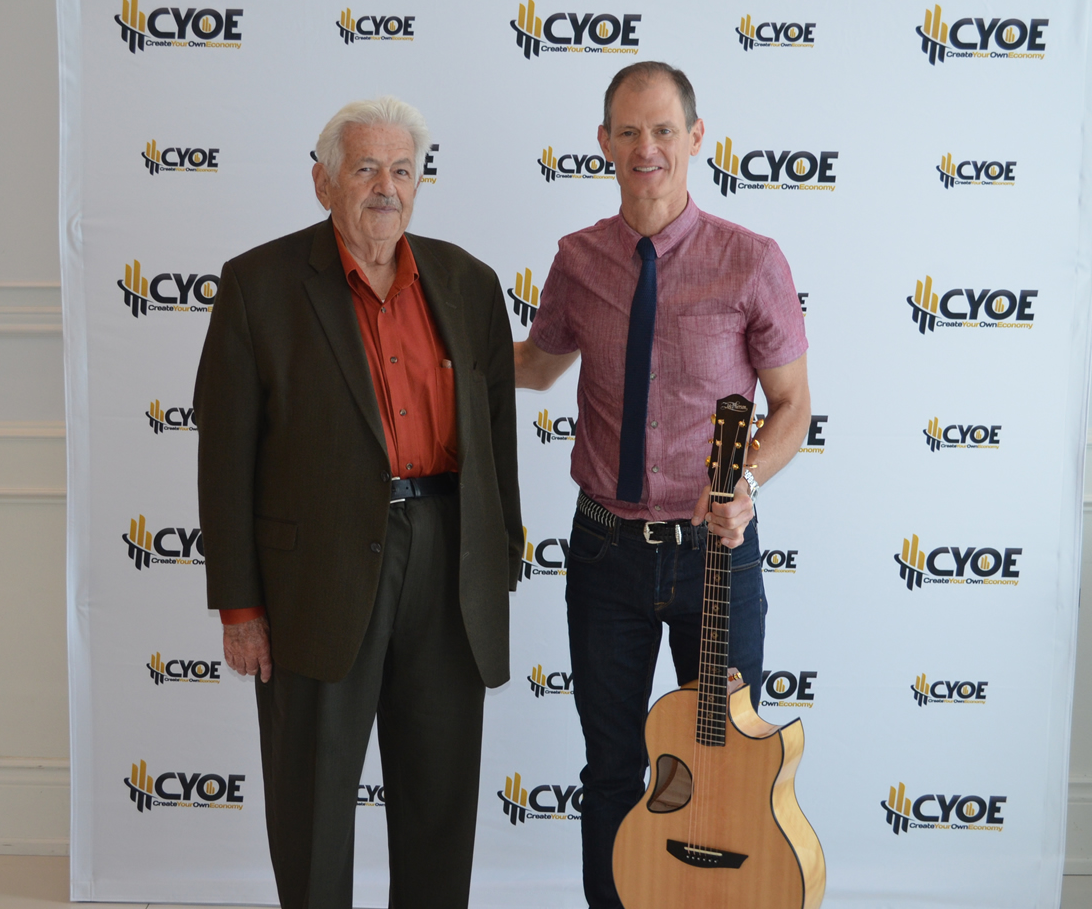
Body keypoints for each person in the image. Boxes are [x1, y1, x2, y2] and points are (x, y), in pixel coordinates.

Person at [194, 96, 521, 909]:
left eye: (402, 170)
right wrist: (240, 605)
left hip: (448, 562)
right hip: (318, 576)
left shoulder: (469, 282)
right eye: (366, 168)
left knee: (440, 799)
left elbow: (497, 440)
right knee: (312, 803)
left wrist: (497, 564)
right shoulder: (258, 285)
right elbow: (225, 457)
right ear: (323, 182)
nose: (386, 187)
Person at [512, 61, 812, 909]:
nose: (647, 147)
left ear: (695, 138)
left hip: (716, 556)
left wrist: (747, 481)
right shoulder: (578, 259)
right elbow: (536, 365)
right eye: (629, 131)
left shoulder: (751, 261)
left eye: (664, 130)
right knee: (612, 768)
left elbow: (792, 407)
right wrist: (440, 347)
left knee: (726, 769)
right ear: (604, 143)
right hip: (604, 551)